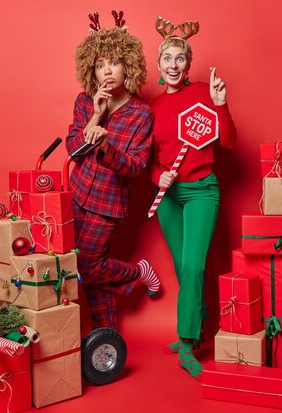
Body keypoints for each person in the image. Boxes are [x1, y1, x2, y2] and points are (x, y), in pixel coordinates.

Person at [147, 17, 237, 379]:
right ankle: (199, 330)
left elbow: (229, 143)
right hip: (168, 196)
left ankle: (185, 344)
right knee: (184, 270)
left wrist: (221, 105)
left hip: (202, 190)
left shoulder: (203, 92)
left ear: (188, 63)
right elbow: (149, 161)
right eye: (167, 58)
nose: (173, 65)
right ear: (158, 65)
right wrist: (159, 176)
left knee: (196, 266)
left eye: (179, 59)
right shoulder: (151, 107)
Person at [65, 11, 160, 330]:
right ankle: (105, 340)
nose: (107, 70)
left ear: (127, 66)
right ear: (91, 68)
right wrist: (95, 117)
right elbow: (72, 149)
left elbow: (135, 166)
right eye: (100, 64)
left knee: (88, 267)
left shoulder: (141, 114)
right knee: (81, 272)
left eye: (114, 62)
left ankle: (138, 272)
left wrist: (107, 146)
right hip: (76, 195)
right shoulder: (84, 101)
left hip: (107, 206)